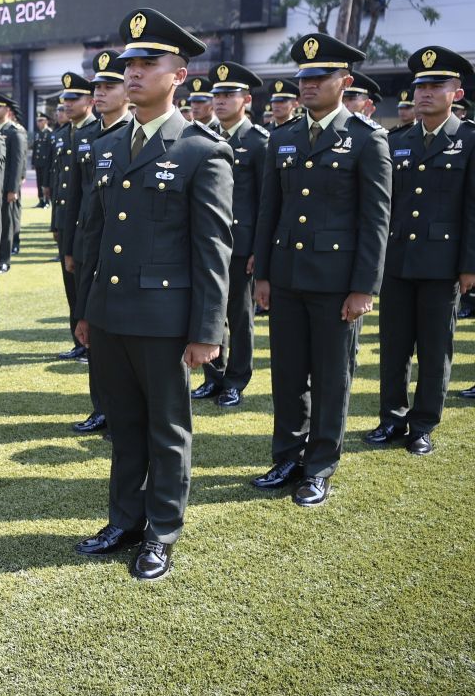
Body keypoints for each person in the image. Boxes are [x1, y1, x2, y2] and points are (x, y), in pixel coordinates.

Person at [73, 8, 233, 581]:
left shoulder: (200, 149)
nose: (133, 72)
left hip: (165, 318)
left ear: (181, 74)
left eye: (148, 63)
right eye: (129, 63)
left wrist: (206, 331)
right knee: (124, 424)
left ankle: (160, 532)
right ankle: (124, 519)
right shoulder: (110, 145)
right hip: (112, 313)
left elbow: (212, 249)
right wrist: (87, 312)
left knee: (167, 429)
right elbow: (95, 236)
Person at [251, 33, 392, 506]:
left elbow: (376, 219)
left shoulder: (366, 139)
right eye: (303, 78)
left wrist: (363, 287)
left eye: (319, 77)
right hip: (287, 276)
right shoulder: (284, 136)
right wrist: (264, 274)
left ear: (344, 81)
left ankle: (320, 466)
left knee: (332, 376)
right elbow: (270, 208)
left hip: (336, 285)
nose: (307, 85)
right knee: (288, 374)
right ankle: (288, 455)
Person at [360, 47, 475, 447]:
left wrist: (468, 266)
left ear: (456, 93)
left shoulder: (469, 140)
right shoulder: (396, 140)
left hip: (442, 264)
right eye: (420, 86)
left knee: (434, 349)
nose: (424, 93)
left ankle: (423, 425)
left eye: (435, 85)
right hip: (396, 261)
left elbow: (473, 210)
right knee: (393, 347)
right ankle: (391, 418)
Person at [191, 61, 269, 408]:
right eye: (216, 95)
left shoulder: (258, 142)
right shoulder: (206, 138)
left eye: (228, 94)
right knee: (211, 310)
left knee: (239, 316)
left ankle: (236, 380)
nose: (220, 101)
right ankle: (214, 375)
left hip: (241, 244)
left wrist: (258, 250)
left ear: (246, 99)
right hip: (209, 243)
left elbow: (266, 201)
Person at [67, 50, 133, 435]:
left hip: (125, 252)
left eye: (109, 86)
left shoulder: (131, 134)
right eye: (97, 86)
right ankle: (100, 406)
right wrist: (72, 248)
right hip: (93, 248)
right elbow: (82, 201)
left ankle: (120, 411)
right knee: (95, 334)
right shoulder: (91, 138)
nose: (100, 93)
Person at [53, 71, 99, 358]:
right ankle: (78, 340)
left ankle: (89, 341)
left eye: (74, 98)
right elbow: (62, 183)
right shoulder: (64, 134)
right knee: (71, 285)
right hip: (66, 220)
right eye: (65, 99)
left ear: (89, 101)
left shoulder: (95, 133)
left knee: (84, 284)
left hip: (86, 223)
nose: (68, 104)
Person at [0, 93, 28, 270]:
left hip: (6, 187)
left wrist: (13, 189)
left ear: (6, 110)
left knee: (6, 223)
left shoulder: (15, 132)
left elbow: (17, 162)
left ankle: (4, 260)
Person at [32, 111, 53, 208]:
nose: (38, 123)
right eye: (37, 121)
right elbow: (35, 149)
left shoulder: (50, 133)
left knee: (46, 182)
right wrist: (33, 162)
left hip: (46, 163)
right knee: (39, 182)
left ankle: (47, 201)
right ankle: (41, 200)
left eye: (41, 120)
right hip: (38, 162)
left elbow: (51, 151)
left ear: (46, 121)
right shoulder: (37, 134)